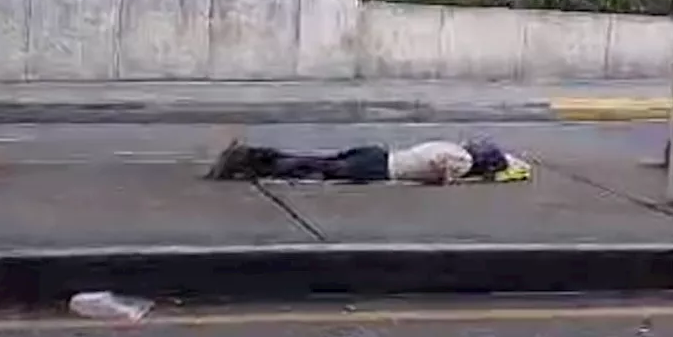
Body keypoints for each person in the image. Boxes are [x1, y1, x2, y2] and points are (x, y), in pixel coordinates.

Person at [207, 138, 532, 185]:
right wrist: (452, 180)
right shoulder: (461, 160)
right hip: (379, 169)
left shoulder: (455, 145)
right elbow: (442, 166)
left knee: (316, 163)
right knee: (315, 168)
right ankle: (249, 160)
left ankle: (252, 158)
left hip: (379, 154)